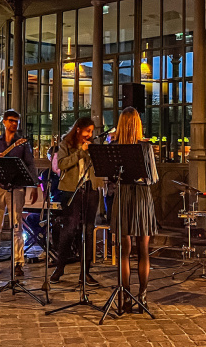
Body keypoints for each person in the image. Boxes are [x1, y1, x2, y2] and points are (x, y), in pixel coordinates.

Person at [0, 109, 38, 278]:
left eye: (16, 121)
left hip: (16, 187)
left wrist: (34, 186)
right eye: (11, 120)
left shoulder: (22, 143)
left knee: (17, 228)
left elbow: (30, 164)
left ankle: (18, 263)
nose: (14, 124)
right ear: (3, 122)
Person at [110, 107, 158, 313]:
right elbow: (153, 177)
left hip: (123, 196)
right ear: (138, 124)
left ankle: (126, 297)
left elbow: (109, 175)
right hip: (141, 198)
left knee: (124, 250)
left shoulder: (113, 146)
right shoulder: (145, 147)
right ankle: (143, 297)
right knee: (143, 250)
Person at [51, 116, 102, 285]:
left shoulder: (92, 145)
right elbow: (62, 164)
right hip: (71, 191)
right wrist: (80, 151)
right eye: (88, 131)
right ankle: (60, 267)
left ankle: (85, 273)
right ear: (78, 130)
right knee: (70, 229)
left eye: (92, 132)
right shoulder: (66, 144)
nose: (90, 134)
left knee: (88, 229)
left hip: (90, 189)